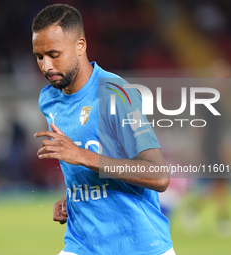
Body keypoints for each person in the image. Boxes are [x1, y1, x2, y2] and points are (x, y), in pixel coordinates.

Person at [32, 4, 174, 255]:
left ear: (80, 46)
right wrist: (74, 198)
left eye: (54, 54)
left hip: (138, 245)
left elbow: (158, 176)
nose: (46, 66)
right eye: (39, 56)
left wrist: (81, 155)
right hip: (82, 243)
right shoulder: (49, 100)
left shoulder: (115, 93)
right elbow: (88, 167)